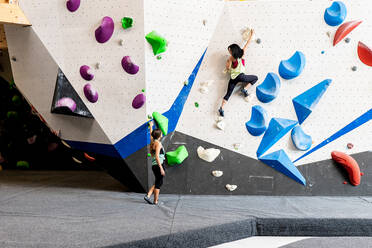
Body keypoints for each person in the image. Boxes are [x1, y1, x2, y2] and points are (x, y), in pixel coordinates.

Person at [218, 29, 258, 117]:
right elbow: (247, 43)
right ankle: (245, 89)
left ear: (233, 51)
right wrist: (252, 35)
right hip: (241, 77)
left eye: (230, 51)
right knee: (255, 78)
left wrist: (227, 64)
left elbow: (228, 69)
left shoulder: (230, 59)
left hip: (233, 78)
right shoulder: (241, 53)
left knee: (228, 94)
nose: (229, 52)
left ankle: (221, 108)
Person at [144, 121, 165, 205]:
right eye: (161, 133)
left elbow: (151, 135)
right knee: (159, 183)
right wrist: (161, 168)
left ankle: (148, 195)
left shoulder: (153, 142)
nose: (162, 134)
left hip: (154, 165)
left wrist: (151, 127)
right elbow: (157, 156)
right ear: (159, 136)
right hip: (158, 164)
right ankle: (155, 201)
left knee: (158, 181)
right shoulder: (158, 143)